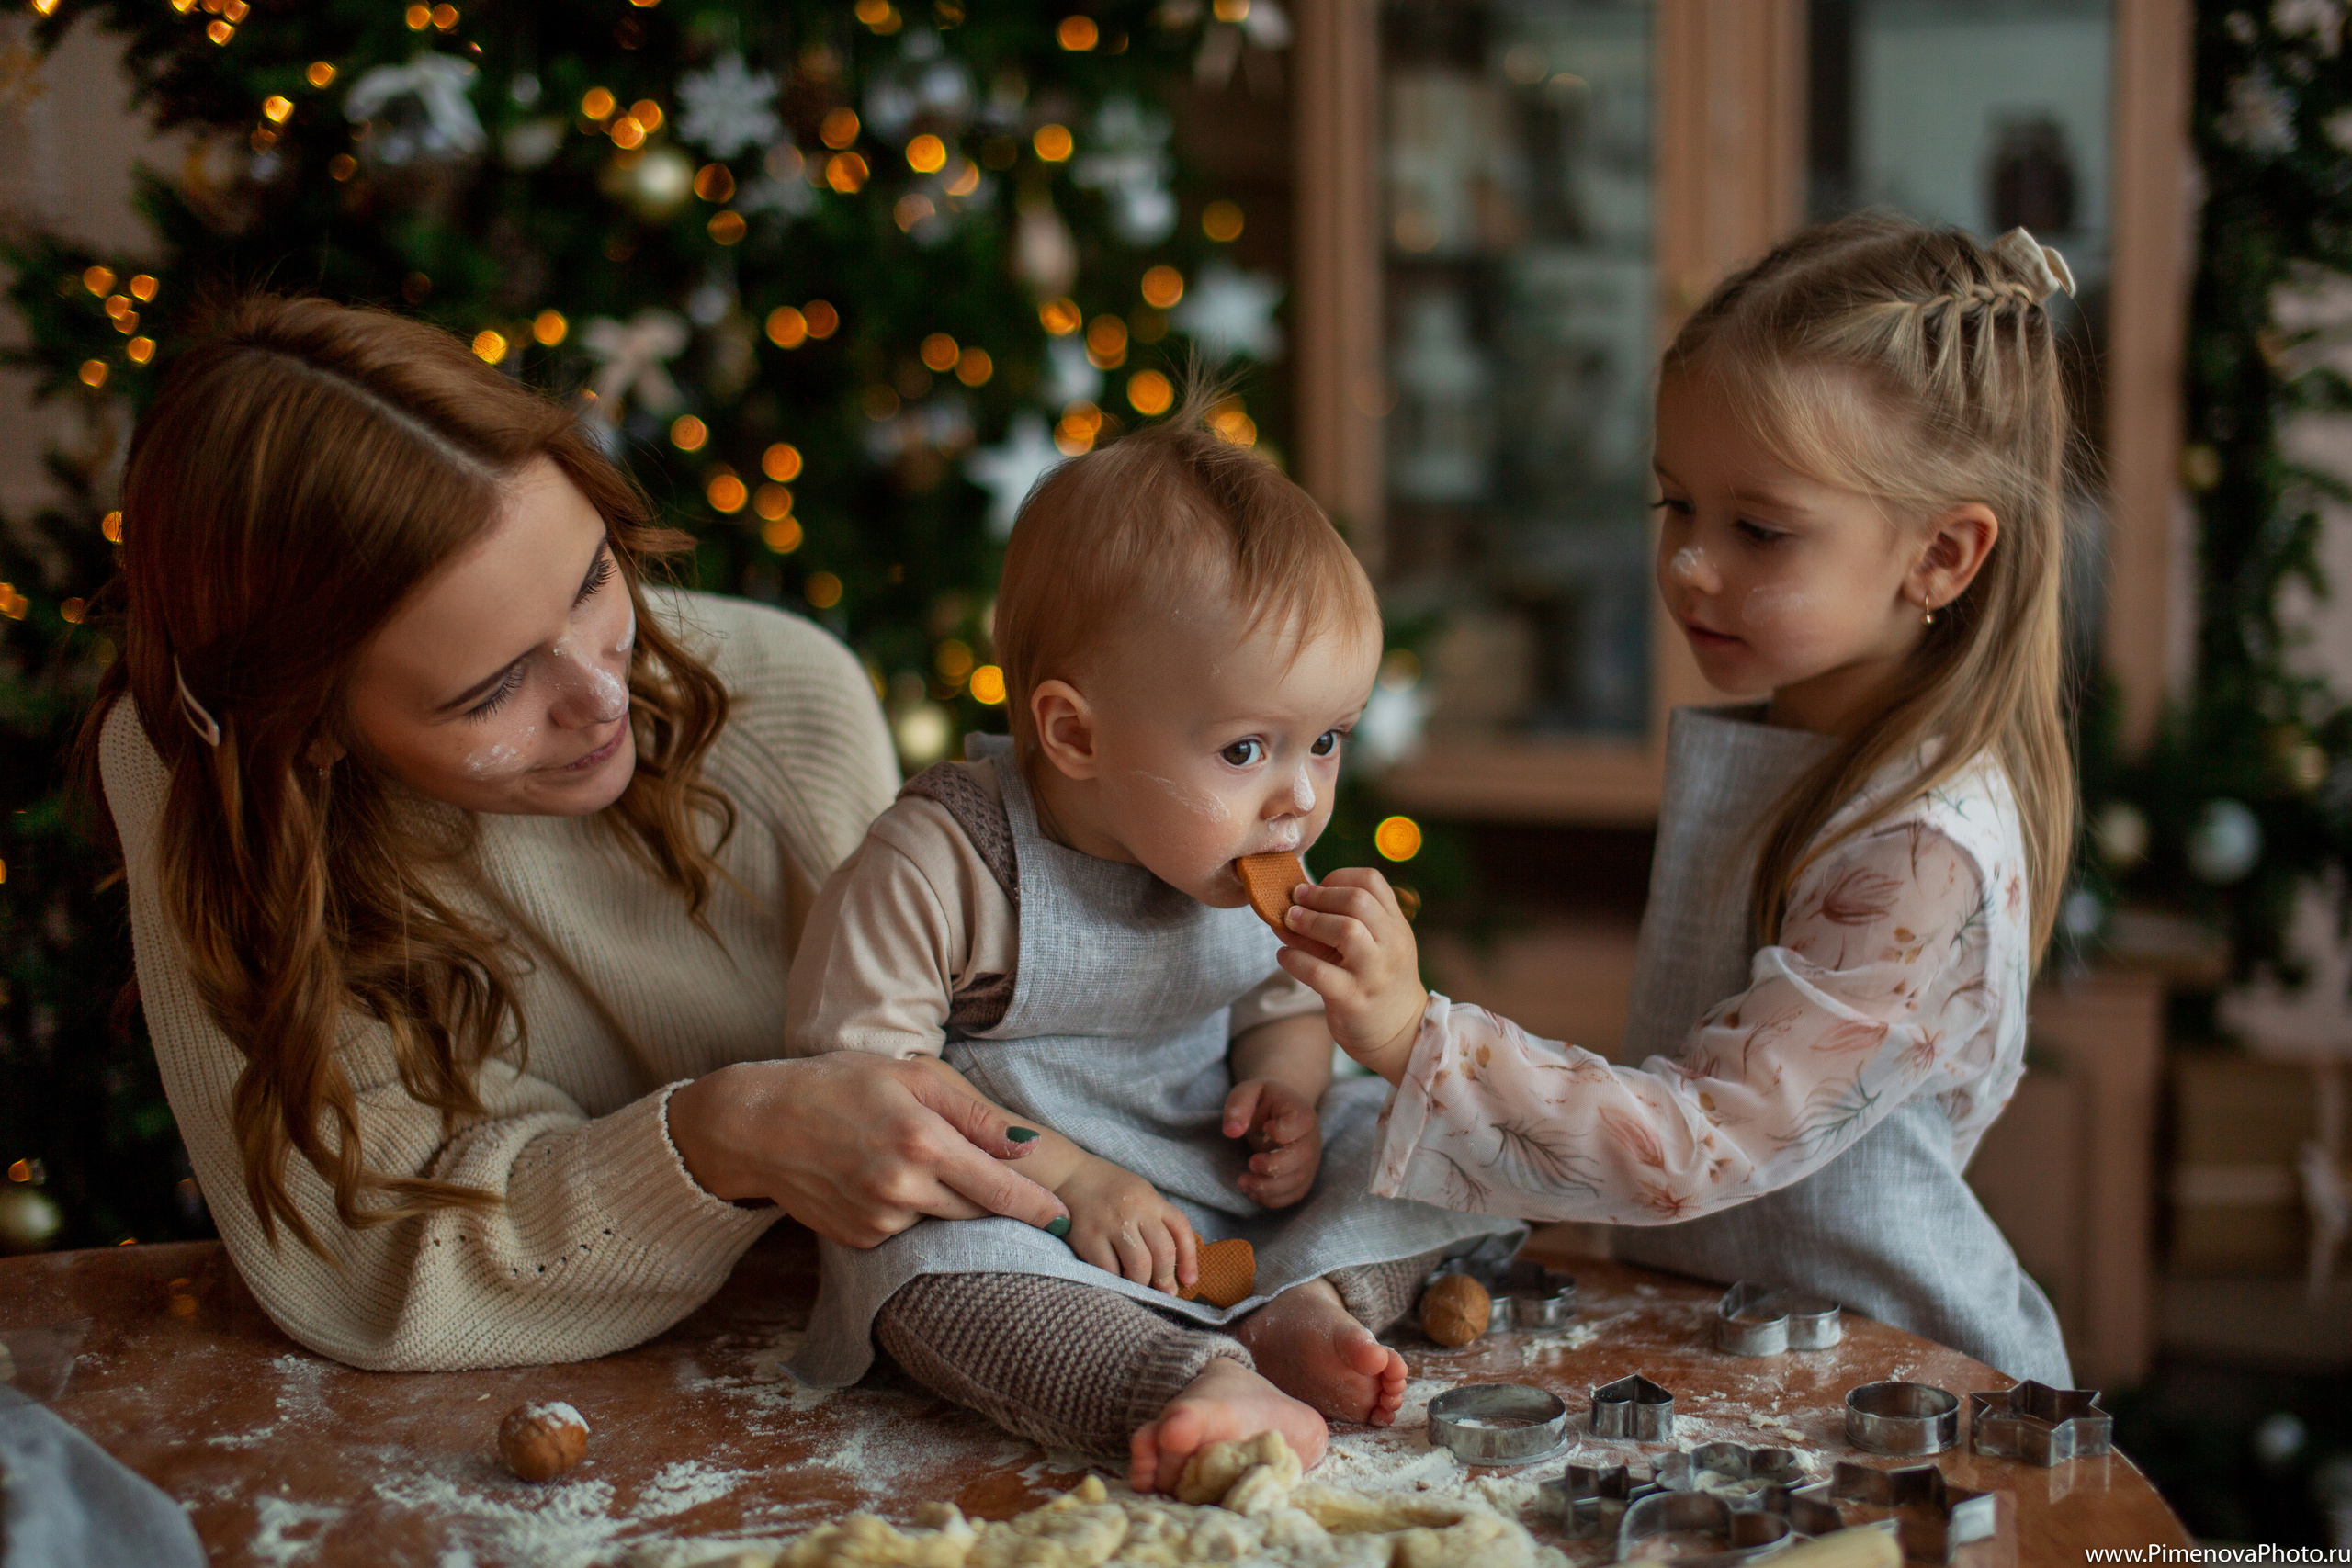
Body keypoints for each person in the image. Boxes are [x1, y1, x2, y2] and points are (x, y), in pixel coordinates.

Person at [84, 295, 1072, 1372]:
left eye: (595, 577)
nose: (606, 699)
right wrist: (718, 1141)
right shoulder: (224, 793)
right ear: (307, 726)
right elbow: (369, 1269)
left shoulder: (788, 706)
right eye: (495, 687)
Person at [1276, 215, 2080, 1386]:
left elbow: (1697, 1141)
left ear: (1942, 559)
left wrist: (1414, 1039)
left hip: (1893, 1382)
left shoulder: (1922, 852)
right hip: (1736, 1334)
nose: (1692, 564)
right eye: (1675, 508)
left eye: (1759, 529)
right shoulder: (1806, 731)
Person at [782, 390, 1523, 1493]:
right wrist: (1077, 1182)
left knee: (1425, 1138)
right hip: (1020, 1211)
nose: (1297, 802)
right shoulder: (945, 865)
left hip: (1215, 1181)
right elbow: (866, 1089)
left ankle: (1292, 1305)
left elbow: (1279, 1003)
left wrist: (1290, 1094)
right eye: (1244, 750)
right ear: (1073, 733)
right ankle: (1173, 1374)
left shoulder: (1257, 851)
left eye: (1323, 742)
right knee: (915, 1269)